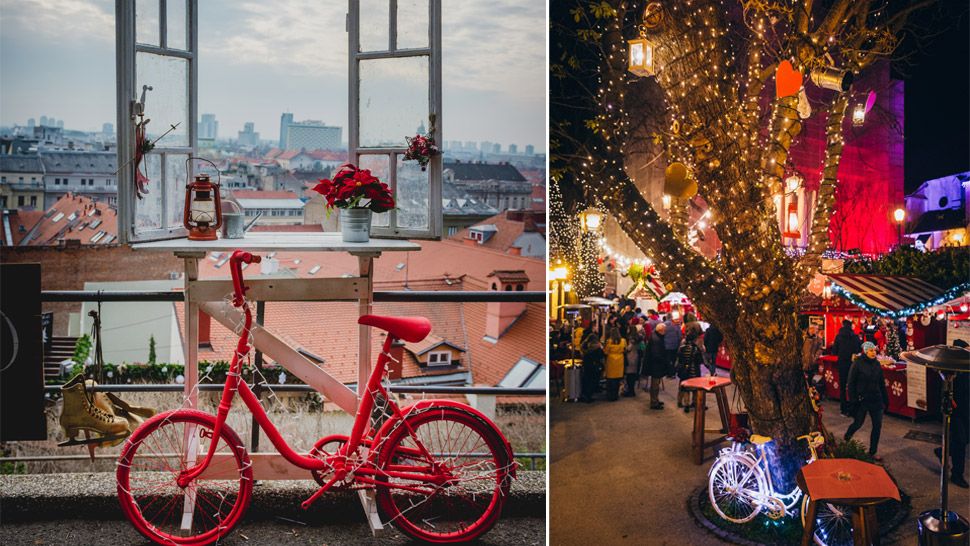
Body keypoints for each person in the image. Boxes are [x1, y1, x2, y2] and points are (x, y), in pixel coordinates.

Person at [844, 342, 888, 461]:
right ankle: (846, 439)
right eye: (871, 351)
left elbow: (881, 383)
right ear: (865, 351)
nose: (873, 353)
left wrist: (885, 400)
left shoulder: (877, 364)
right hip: (862, 399)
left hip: (876, 399)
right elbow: (851, 383)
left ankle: (873, 452)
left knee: (877, 426)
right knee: (858, 423)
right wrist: (853, 399)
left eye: (874, 350)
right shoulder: (857, 364)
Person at [937, 339, 969, 488]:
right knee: (961, 442)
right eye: (967, 350)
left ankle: (942, 451)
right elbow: (944, 387)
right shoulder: (952, 368)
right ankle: (957, 475)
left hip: (967, 411)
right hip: (956, 412)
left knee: (964, 440)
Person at [833, 319, 863, 415]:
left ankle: (843, 409)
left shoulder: (838, 337)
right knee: (852, 386)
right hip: (852, 364)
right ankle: (853, 409)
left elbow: (834, 351)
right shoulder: (855, 337)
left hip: (842, 364)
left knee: (842, 387)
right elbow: (859, 350)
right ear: (851, 326)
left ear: (842, 325)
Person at [676, 331, 704, 411]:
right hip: (694, 371)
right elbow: (700, 360)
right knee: (695, 388)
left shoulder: (682, 348)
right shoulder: (696, 348)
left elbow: (679, 359)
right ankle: (694, 402)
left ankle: (684, 403)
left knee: (684, 387)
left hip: (684, 371)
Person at [646, 323, 668, 410]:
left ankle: (655, 400)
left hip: (655, 365)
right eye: (664, 330)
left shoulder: (655, 336)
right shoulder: (656, 340)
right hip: (656, 365)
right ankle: (654, 402)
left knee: (656, 383)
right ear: (660, 330)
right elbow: (656, 354)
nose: (665, 332)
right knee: (655, 385)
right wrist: (664, 360)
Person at [603, 327, 627, 402]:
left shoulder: (609, 341)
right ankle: (615, 395)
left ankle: (610, 395)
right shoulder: (623, 341)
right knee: (617, 379)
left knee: (610, 379)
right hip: (620, 360)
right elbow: (625, 349)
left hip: (611, 360)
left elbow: (606, 351)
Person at [579, 337, 605, 403]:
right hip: (595, 366)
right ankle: (588, 396)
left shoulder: (585, 347)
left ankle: (585, 395)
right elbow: (601, 356)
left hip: (587, 365)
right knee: (593, 381)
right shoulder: (597, 348)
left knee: (586, 380)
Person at [623, 331, 640, 397]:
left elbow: (626, 350)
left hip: (630, 361)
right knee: (632, 377)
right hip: (635, 360)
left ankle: (630, 391)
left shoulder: (631, 344)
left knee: (629, 377)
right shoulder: (637, 343)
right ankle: (632, 391)